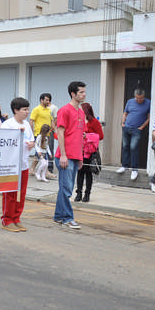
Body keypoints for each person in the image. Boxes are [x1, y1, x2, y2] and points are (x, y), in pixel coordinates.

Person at [54, 81, 86, 230]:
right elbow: (60, 133)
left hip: (75, 156)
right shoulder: (64, 110)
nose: (84, 95)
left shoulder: (81, 112)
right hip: (64, 156)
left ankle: (58, 216)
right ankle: (68, 218)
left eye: (84, 92)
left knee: (66, 188)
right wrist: (63, 155)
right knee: (66, 188)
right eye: (81, 92)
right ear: (73, 94)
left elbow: (80, 136)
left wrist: (80, 158)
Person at [0, 97, 35, 232]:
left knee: (21, 193)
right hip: (11, 165)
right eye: (24, 109)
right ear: (16, 110)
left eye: (28, 109)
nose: (27, 112)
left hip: (23, 164)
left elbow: (31, 140)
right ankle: (7, 219)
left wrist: (31, 144)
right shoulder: (7, 125)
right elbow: (2, 143)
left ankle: (16, 218)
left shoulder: (27, 124)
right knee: (10, 193)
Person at [116, 88, 150, 180]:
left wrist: (141, 127)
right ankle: (124, 166)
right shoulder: (130, 101)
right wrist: (122, 124)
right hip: (126, 127)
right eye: (137, 98)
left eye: (140, 98)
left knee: (133, 147)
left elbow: (149, 117)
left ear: (144, 97)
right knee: (125, 146)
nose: (138, 100)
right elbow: (125, 113)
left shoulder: (148, 103)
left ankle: (134, 169)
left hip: (137, 129)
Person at [75, 102, 103, 203]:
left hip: (90, 151)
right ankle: (78, 193)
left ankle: (87, 194)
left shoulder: (94, 122)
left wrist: (87, 136)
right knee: (80, 172)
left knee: (88, 173)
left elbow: (101, 136)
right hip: (79, 150)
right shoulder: (79, 121)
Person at [29, 93, 54, 175]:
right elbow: (31, 121)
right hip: (38, 134)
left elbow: (51, 120)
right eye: (46, 100)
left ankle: (32, 169)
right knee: (41, 152)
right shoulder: (36, 109)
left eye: (49, 100)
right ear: (41, 100)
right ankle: (46, 172)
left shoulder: (49, 110)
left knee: (40, 153)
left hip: (47, 134)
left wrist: (52, 129)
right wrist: (31, 133)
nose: (48, 101)